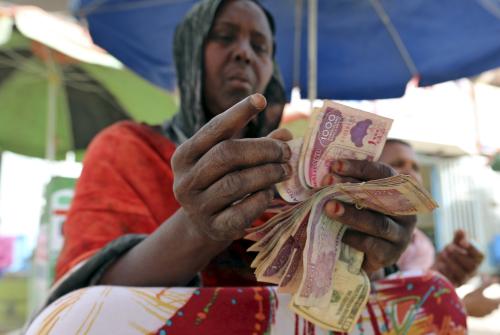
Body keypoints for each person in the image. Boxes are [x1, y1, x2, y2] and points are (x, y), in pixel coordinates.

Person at [26, 1, 466, 334]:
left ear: (270, 70)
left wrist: (374, 255)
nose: (243, 53)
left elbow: (328, 302)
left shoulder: (294, 168)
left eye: (260, 46)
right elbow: (87, 301)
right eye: (224, 36)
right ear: (189, 54)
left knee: (434, 296)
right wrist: (196, 228)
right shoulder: (128, 147)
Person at [380, 138, 500, 317]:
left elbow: (411, 298)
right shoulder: (355, 237)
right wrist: (460, 306)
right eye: (397, 164)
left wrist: (440, 277)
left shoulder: (422, 244)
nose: (410, 173)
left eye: (415, 167)